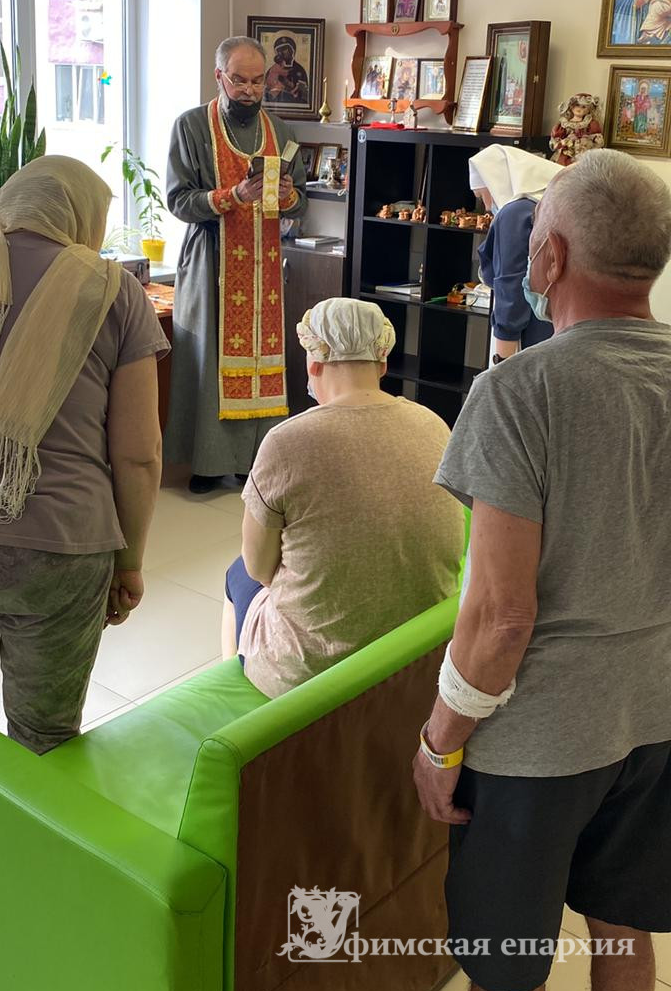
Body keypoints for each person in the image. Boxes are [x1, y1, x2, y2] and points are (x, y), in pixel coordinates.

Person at [413, 148, 671, 991]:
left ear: (552, 257)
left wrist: (439, 743)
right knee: (624, 924)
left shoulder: (518, 393)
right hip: (657, 717)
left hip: (539, 745)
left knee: (509, 965)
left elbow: (500, 617)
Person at [0, 157, 168, 754]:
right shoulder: (114, 290)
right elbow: (139, 454)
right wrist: (129, 562)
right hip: (63, 546)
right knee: (44, 740)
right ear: (82, 216)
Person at [221, 298, 465, 697]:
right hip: (417, 656)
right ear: (382, 363)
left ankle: (246, 691)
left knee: (237, 574)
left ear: (313, 364)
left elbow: (260, 569)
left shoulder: (287, 442)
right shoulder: (434, 425)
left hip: (313, 674)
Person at [165, 36, 307, 493]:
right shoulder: (191, 126)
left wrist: (289, 197)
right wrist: (232, 196)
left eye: (257, 81)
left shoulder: (281, 131)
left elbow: (300, 201)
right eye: (239, 80)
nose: (249, 90)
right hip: (211, 260)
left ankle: (253, 460)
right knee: (209, 360)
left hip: (264, 264)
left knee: (263, 360)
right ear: (219, 77)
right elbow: (178, 200)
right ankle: (208, 463)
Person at [470, 144, 561, 360]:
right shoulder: (548, 205)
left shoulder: (514, 214)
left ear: (494, 181)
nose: (486, 206)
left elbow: (510, 286)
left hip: (529, 334)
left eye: (481, 196)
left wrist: (502, 360)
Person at [264, 35, 309, 105]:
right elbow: (266, 95)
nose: (281, 53)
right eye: (278, 50)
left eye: (284, 49)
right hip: (276, 106)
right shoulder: (272, 70)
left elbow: (305, 96)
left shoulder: (299, 70)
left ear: (292, 51)